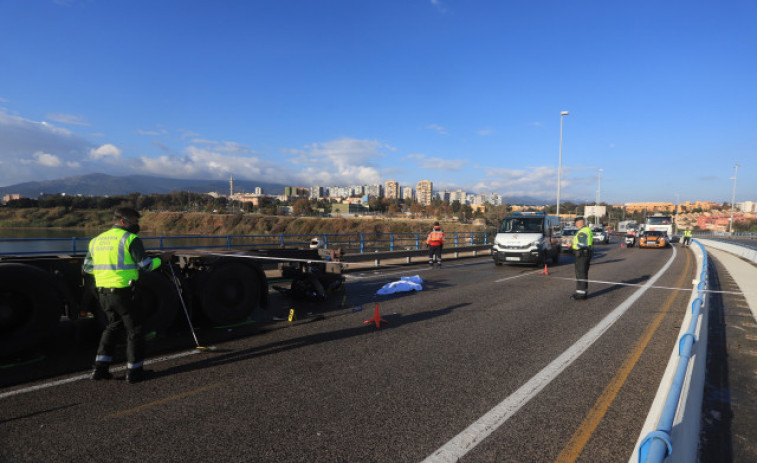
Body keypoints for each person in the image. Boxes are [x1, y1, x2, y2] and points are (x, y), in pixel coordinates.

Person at [83, 207, 171, 383]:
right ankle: (134, 372)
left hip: (103, 293)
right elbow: (146, 266)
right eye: (134, 221)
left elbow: (87, 267)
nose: (137, 225)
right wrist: (162, 259)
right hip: (124, 292)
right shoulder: (130, 239)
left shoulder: (96, 240)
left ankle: (99, 370)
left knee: (112, 327)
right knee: (135, 331)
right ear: (123, 221)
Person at [571, 217, 594, 300]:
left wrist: (572, 246)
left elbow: (582, 244)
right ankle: (583, 292)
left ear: (579, 223)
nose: (576, 225)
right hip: (585, 254)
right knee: (583, 274)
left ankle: (580, 295)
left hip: (582, 255)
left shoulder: (582, 232)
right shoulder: (587, 230)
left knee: (580, 274)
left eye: (576, 223)